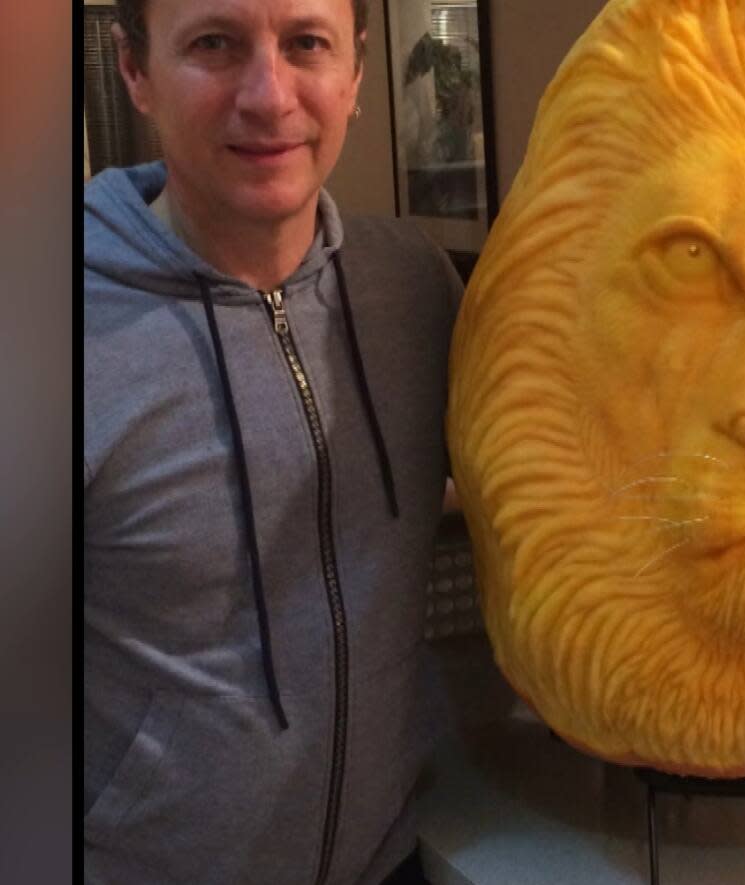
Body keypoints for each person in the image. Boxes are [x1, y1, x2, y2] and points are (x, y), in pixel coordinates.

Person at [83, 0, 462, 881]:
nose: (269, 96)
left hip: (391, 859)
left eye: (306, 44)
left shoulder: (418, 289)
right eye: (214, 44)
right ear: (134, 69)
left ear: (358, 72)